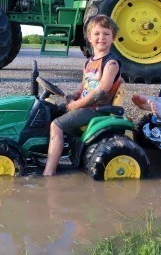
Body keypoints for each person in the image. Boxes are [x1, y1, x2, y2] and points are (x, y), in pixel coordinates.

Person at [43, 14, 121, 176]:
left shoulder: (111, 64)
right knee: (47, 111)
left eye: (106, 34)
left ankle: (48, 172)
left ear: (113, 38)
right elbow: (84, 86)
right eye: (97, 34)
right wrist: (73, 96)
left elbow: (100, 92)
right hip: (85, 105)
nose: (102, 38)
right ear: (89, 38)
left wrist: (75, 105)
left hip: (96, 108)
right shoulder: (89, 61)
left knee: (55, 125)